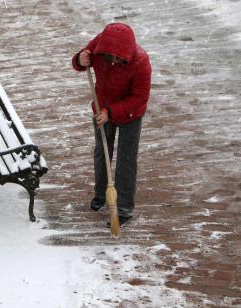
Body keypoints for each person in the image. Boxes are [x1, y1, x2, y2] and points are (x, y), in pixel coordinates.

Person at [71, 23, 152, 227]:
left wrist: (112, 112)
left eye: (120, 59)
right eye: (111, 57)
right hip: (101, 108)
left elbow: (141, 96)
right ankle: (101, 196)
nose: (114, 61)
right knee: (102, 153)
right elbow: (82, 59)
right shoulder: (100, 44)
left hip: (130, 114)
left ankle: (123, 208)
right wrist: (80, 60)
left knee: (126, 159)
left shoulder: (141, 62)